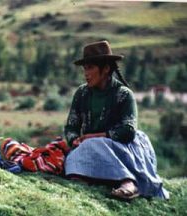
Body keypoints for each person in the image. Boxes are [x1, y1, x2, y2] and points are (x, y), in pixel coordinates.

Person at [64, 40, 169, 200]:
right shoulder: (81, 94)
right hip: (91, 146)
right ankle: (96, 174)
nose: (86, 73)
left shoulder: (124, 94)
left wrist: (97, 137)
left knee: (93, 145)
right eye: (84, 68)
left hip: (123, 146)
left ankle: (128, 182)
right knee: (75, 157)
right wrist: (75, 141)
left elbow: (128, 131)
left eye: (90, 68)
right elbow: (71, 127)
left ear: (106, 69)